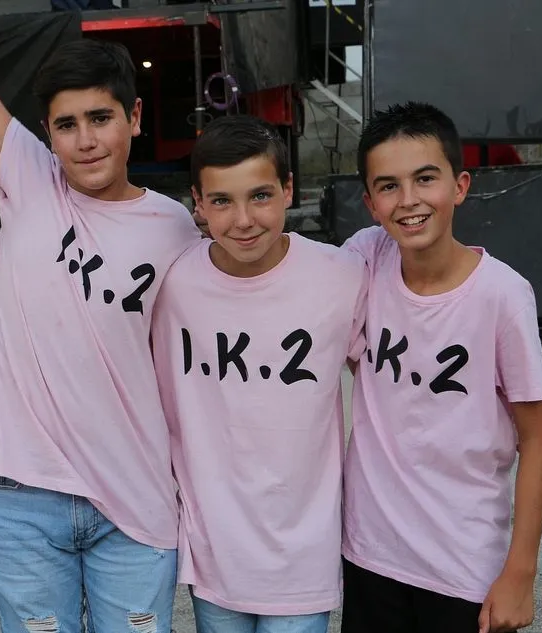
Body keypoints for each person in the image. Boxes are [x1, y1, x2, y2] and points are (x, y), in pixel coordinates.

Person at [0, 5, 202, 633]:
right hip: (22, 497)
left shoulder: (175, 228)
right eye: (66, 124)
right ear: (46, 135)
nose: (85, 140)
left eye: (101, 118)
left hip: (135, 501)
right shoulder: (29, 178)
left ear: (135, 117)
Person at [339, 101, 542, 633]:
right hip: (370, 553)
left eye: (425, 178)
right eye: (388, 186)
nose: (408, 200)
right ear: (370, 203)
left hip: (463, 565)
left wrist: (520, 572)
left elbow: (538, 437)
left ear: (459, 186)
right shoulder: (366, 257)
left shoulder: (502, 294)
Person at [151, 114, 368, 633]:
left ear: (288, 189)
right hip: (215, 549)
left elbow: (389, 383)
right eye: (222, 201)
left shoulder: (342, 275)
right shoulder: (172, 283)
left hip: (304, 549)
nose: (244, 219)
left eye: (261, 196)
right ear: (198, 204)